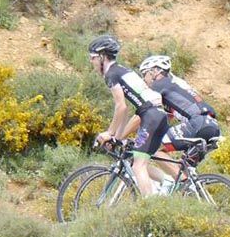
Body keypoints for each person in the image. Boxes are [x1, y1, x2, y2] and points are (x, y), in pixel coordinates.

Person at [88, 35, 168, 196]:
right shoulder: (122, 70)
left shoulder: (111, 74)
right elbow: (124, 111)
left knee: (138, 166)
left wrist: (109, 133)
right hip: (157, 115)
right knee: (137, 160)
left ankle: (149, 206)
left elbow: (121, 107)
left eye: (93, 57)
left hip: (150, 116)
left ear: (102, 56)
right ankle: (168, 183)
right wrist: (117, 137)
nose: (91, 61)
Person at [136, 54, 220, 186]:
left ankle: (183, 183)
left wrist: (127, 136)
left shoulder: (159, 85)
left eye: (144, 73)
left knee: (154, 148)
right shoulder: (175, 84)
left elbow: (145, 113)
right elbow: (163, 119)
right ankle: (191, 190)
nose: (143, 79)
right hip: (212, 126)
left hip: (197, 123)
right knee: (184, 169)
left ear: (155, 71)